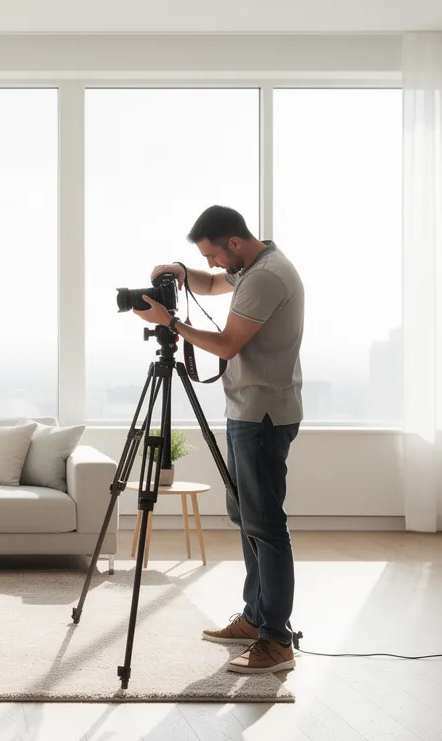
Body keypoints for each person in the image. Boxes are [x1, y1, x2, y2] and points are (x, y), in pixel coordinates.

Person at [134, 204, 304, 675]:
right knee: (245, 515)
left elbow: (228, 345)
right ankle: (255, 617)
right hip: (246, 410)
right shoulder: (251, 266)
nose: (210, 266)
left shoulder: (267, 276)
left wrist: (171, 324)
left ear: (233, 243)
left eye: (211, 255)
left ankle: (276, 638)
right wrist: (180, 271)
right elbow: (210, 283)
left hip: (263, 415)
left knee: (266, 524)